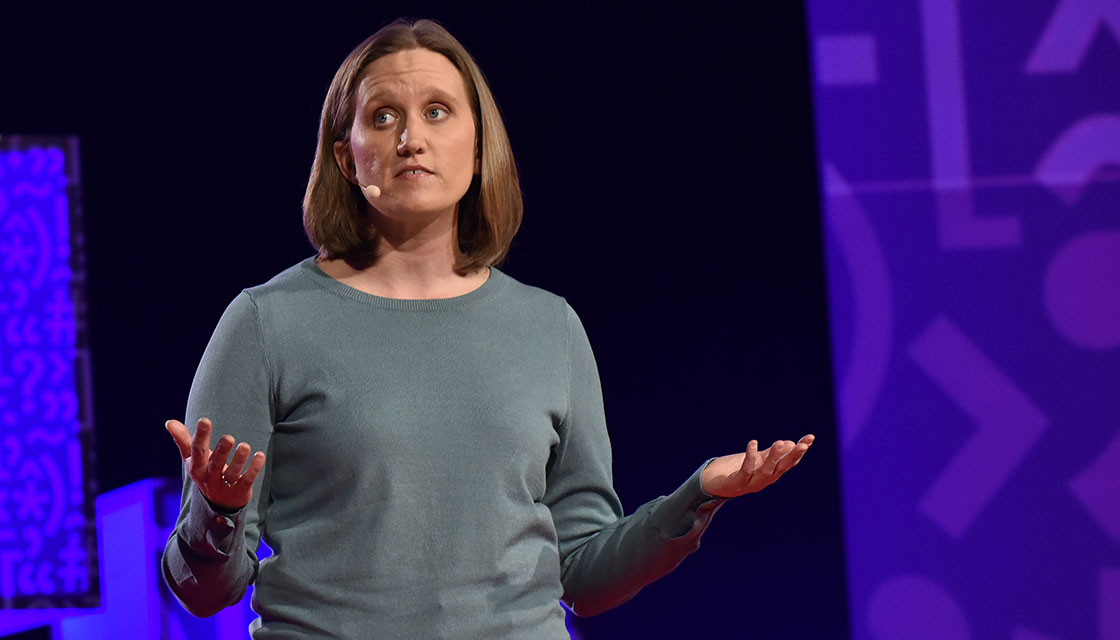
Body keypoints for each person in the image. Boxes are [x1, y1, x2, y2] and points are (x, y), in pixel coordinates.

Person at [161, 18, 814, 639]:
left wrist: (697, 495)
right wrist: (214, 513)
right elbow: (202, 590)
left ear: (477, 146)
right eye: (382, 117)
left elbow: (584, 573)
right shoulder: (267, 323)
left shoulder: (548, 328)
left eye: (437, 112)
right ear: (345, 157)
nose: (409, 137)